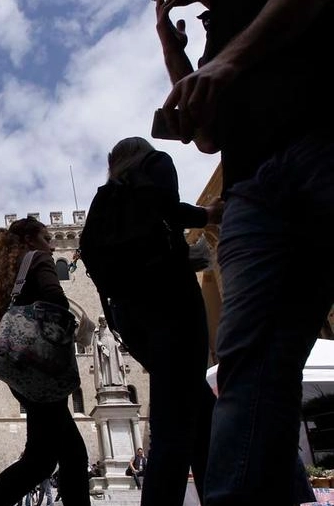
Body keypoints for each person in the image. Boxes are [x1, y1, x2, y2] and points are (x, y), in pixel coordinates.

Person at [155, 1, 334, 504]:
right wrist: (177, 58)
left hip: (319, 142)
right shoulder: (215, 29)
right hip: (252, 183)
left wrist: (229, 61)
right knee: (246, 362)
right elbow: (207, 137)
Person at [94, 137, 219, 505]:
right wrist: (208, 215)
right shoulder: (155, 165)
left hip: (129, 317)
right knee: (174, 419)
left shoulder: (106, 197)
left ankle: (219, 491)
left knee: (197, 405)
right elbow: (165, 207)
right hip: (170, 301)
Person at [0, 217, 90, 506]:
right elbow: (56, 300)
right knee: (59, 458)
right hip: (44, 368)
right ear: (30, 240)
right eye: (46, 238)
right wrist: (77, 327)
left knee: (46, 459)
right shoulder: (38, 259)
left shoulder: (10, 272)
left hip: (22, 372)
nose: (51, 246)